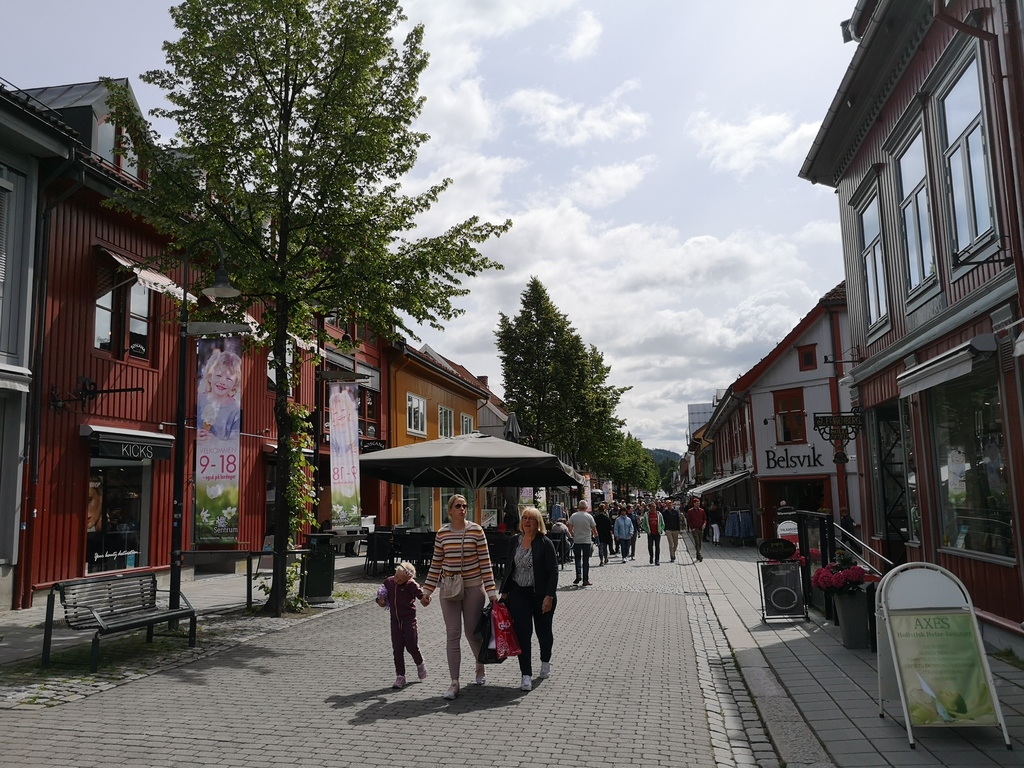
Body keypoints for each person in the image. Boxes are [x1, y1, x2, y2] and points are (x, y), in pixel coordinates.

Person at [422, 494, 499, 700]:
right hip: (449, 589)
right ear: (450, 510)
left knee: (472, 633)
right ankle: (454, 682)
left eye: (465, 506)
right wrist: (427, 591)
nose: (462, 509)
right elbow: (436, 563)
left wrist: (491, 592)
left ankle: (479, 663)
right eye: (458, 506)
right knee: (452, 634)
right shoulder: (442, 533)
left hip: (473, 587)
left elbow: (485, 562)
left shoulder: (476, 530)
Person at [500, 507, 558, 692]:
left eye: (531, 519)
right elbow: (509, 567)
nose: (527, 521)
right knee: (523, 634)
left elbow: (553, 572)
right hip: (519, 594)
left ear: (537, 522)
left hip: (541, 595)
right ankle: (525, 674)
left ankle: (545, 662)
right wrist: (505, 593)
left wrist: (549, 596)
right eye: (524, 518)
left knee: (543, 633)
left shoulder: (544, 542)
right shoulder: (514, 541)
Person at [376, 561, 427, 689]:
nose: (396, 580)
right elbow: (380, 596)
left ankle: (420, 663)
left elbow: (422, 596)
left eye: (400, 580)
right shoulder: (389, 582)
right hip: (395, 620)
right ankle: (400, 676)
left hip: (409, 620)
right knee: (397, 648)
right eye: (396, 576)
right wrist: (380, 601)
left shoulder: (411, 585)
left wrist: (426, 598)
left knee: (411, 645)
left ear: (408, 579)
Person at [196, 348, 242, 443]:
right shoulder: (198, 399)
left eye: (228, 379)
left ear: (235, 384)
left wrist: (215, 441)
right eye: (218, 376)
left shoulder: (235, 409)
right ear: (209, 377)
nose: (222, 382)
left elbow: (235, 442)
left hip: (221, 455)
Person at [567, 500, 597, 586]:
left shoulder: (573, 516)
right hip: (586, 541)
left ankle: (578, 574)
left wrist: (574, 535)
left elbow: (569, 529)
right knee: (586, 560)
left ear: (578, 507)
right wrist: (595, 537)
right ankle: (585, 580)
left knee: (577, 559)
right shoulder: (589, 516)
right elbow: (594, 530)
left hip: (577, 541)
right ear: (586, 508)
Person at [686, 497, 707, 563]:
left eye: (699, 503)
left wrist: (704, 524)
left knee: (700, 542)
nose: (698, 504)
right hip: (694, 529)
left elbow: (704, 519)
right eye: (697, 503)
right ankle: (700, 554)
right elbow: (689, 520)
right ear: (694, 504)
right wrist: (692, 528)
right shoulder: (690, 511)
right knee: (697, 541)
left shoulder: (702, 510)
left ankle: (698, 554)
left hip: (701, 528)